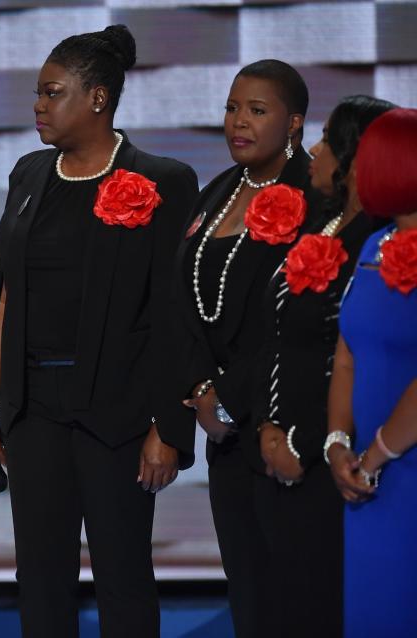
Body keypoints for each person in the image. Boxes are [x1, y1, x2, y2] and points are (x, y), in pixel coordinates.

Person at [0, 25, 199, 638]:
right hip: (33, 411)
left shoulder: (162, 180)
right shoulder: (29, 175)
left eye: (51, 92)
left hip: (119, 413)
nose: (38, 105)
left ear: (97, 98)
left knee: (123, 575)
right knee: (40, 576)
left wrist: (166, 427)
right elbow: (5, 297)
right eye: (37, 94)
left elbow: (175, 316)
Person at [167, 60, 323, 638]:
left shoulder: (318, 199)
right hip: (223, 433)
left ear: (295, 124)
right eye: (233, 107)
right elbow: (179, 305)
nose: (238, 121)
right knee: (249, 589)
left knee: (298, 592)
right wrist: (202, 390)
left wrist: (228, 399)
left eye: (257, 111)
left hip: (284, 424)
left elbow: (295, 323)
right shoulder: (217, 194)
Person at [249, 95, 394, 637]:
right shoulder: (325, 224)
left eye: (328, 139)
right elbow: (277, 336)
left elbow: (348, 355)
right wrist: (267, 426)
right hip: (278, 454)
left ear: (357, 158)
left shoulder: (377, 246)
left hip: (329, 464)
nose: (314, 147)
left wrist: (306, 442)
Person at [325, 107, 417, 638]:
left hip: (396, 469)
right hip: (364, 482)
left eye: (366, 160)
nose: (355, 171)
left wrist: (376, 455)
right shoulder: (371, 247)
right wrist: (338, 444)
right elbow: (347, 354)